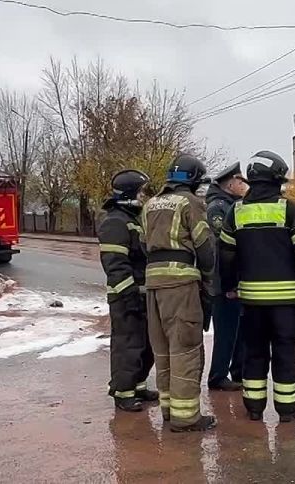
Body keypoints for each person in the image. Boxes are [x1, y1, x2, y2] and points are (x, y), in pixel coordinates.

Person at [218, 151, 295, 423]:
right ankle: (286, 413)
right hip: (287, 306)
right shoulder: (289, 210)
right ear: (277, 180)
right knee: (284, 355)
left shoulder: (235, 212)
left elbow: (225, 256)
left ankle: (255, 410)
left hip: (252, 304)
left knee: (254, 355)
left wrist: (229, 286)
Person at [142, 154, 216, 432]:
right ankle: (186, 418)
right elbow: (205, 247)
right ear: (195, 179)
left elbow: (142, 243)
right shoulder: (191, 203)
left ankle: (169, 411)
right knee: (185, 348)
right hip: (181, 285)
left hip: (154, 284)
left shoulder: (150, 204)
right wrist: (208, 280)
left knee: (162, 348)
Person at [98, 170, 158, 412]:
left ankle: (138, 386)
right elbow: (115, 265)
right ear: (130, 194)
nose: (145, 197)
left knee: (146, 345)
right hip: (126, 296)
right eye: (142, 192)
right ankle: (123, 392)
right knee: (128, 345)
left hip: (141, 294)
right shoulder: (115, 222)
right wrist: (129, 295)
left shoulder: (133, 218)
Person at [205, 162, 249, 392]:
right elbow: (222, 246)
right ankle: (218, 376)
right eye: (241, 181)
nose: (244, 185)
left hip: (234, 278)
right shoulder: (217, 207)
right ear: (231, 183)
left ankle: (238, 371)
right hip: (222, 281)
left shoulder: (233, 205)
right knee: (226, 331)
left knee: (239, 329)